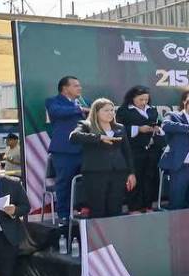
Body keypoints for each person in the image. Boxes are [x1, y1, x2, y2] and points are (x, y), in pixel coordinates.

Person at [68, 98, 135, 219]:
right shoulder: (85, 125)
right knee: (98, 209)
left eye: (112, 110)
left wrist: (131, 173)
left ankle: (114, 236)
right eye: (106, 110)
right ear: (96, 112)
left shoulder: (119, 128)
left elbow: (127, 152)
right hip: (95, 173)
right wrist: (99, 138)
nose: (110, 113)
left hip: (118, 173)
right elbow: (74, 137)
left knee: (115, 209)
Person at [45, 75, 86, 225]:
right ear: (65, 88)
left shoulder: (82, 101)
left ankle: (82, 210)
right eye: (75, 85)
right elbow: (58, 112)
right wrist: (80, 109)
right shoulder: (53, 102)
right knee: (64, 183)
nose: (79, 88)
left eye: (79, 85)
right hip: (64, 151)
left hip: (84, 150)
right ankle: (63, 215)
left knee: (85, 182)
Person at [116, 86, 164, 213]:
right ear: (132, 98)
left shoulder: (152, 110)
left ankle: (148, 205)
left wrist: (157, 128)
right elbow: (119, 128)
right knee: (135, 179)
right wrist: (138, 129)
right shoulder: (124, 111)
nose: (144, 102)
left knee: (150, 178)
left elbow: (159, 123)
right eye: (141, 99)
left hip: (151, 150)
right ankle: (134, 207)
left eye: (146, 99)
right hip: (134, 150)